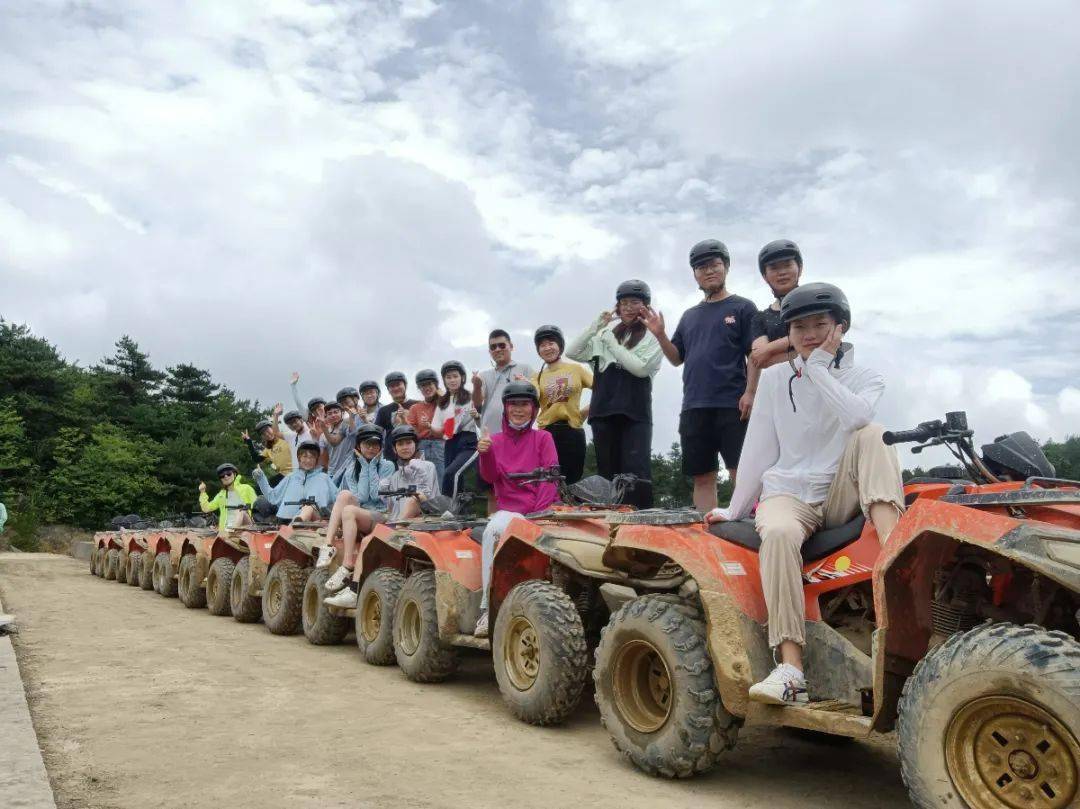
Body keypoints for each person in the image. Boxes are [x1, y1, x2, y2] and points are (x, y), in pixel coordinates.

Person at [705, 282, 903, 706]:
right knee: (776, 533)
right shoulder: (775, 379)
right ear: (788, 333)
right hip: (789, 493)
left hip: (839, 492)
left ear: (840, 328)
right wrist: (735, 508)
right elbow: (758, 449)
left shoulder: (865, 376)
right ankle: (791, 667)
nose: (809, 334)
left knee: (874, 434)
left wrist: (817, 369)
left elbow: (857, 418)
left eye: (820, 325)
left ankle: (895, 555)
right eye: (799, 327)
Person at [643, 239, 758, 512]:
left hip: (733, 403)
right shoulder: (689, 316)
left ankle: (750, 527)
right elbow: (676, 358)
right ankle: (709, 531)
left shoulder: (743, 308)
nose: (709, 271)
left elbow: (754, 354)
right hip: (694, 406)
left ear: (726, 267)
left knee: (739, 471)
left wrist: (751, 392)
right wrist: (659, 334)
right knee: (702, 475)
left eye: (715, 264)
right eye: (702, 267)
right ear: (695, 274)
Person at [474, 381, 560, 637]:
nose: (519, 410)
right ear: (506, 408)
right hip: (509, 511)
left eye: (525, 404)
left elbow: (550, 477)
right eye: (514, 405)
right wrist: (485, 453)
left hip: (539, 511)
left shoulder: (543, 437)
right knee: (495, 528)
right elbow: (490, 477)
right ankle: (487, 609)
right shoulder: (496, 441)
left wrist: (538, 514)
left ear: (533, 409)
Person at [567, 280, 662, 508]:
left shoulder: (652, 336)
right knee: (607, 473)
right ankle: (610, 525)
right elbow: (572, 351)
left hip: (634, 413)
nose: (628, 307)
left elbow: (640, 368)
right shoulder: (603, 335)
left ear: (646, 306)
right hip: (603, 413)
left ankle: (639, 525)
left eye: (635, 302)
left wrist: (613, 345)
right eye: (623, 303)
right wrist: (596, 326)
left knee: (635, 473)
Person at [321, 423, 396, 605]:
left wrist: (369, 466)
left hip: (381, 513)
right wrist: (362, 465)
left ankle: (347, 565)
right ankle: (328, 546)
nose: (371, 448)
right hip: (363, 512)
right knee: (344, 495)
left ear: (380, 447)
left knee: (349, 510)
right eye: (366, 444)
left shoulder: (387, 466)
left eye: (374, 444)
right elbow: (360, 497)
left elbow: (375, 495)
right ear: (359, 446)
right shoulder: (351, 469)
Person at [473, 329, 536, 512]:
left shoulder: (525, 368)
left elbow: (536, 398)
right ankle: (493, 530)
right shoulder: (484, 375)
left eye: (502, 345)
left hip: (518, 438)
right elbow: (477, 403)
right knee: (491, 488)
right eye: (493, 347)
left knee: (520, 484)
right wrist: (476, 386)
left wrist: (527, 383)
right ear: (489, 351)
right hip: (491, 438)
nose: (498, 349)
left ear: (511, 346)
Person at [530, 325, 593, 484]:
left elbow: (604, 391)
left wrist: (585, 411)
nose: (547, 348)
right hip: (546, 433)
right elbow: (533, 399)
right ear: (538, 350)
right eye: (542, 345)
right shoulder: (536, 377)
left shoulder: (576, 369)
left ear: (560, 345)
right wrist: (525, 387)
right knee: (548, 480)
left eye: (551, 343)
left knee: (572, 481)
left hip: (573, 430)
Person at [253, 440, 339, 523]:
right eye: (305, 456)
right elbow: (272, 497)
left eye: (312, 457)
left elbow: (337, 500)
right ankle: (295, 525)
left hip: (314, 522)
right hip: (285, 520)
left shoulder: (324, 478)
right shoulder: (290, 477)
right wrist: (261, 478)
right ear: (299, 458)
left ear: (316, 460)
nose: (308, 460)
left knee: (310, 508)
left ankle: (300, 521)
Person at [434, 360, 480, 495]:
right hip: (449, 442)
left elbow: (482, 423)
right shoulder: (442, 402)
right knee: (452, 480)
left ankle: (450, 509)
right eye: (448, 377)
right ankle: (454, 512)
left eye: (455, 376)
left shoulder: (472, 397)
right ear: (444, 380)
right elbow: (439, 429)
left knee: (451, 473)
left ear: (462, 378)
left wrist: (477, 416)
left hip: (469, 441)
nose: (452, 380)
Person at [381, 424, 440, 521]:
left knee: (413, 499)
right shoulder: (395, 477)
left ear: (415, 445)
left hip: (424, 521)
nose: (405, 447)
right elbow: (391, 510)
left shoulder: (429, 466)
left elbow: (426, 499)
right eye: (400, 444)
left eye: (408, 443)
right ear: (394, 449)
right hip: (399, 523)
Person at [406, 369, 445, 486]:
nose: (426, 388)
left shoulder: (443, 402)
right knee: (422, 479)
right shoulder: (415, 408)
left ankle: (441, 503)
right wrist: (403, 420)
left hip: (440, 444)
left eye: (429, 384)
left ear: (436, 385)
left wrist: (441, 395)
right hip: (422, 445)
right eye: (423, 385)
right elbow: (412, 432)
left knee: (440, 477)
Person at [198, 463, 258, 531]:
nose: (225, 476)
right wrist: (202, 492)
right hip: (226, 529)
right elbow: (206, 508)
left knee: (241, 511)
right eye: (222, 476)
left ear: (235, 474)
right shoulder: (221, 495)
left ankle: (230, 533)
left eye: (228, 473)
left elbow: (257, 506)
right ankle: (227, 534)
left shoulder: (246, 488)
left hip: (247, 528)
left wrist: (248, 508)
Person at [242, 405, 293, 484]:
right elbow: (256, 459)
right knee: (271, 483)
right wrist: (249, 441)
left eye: (267, 430)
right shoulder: (268, 449)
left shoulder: (285, 438)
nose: (266, 434)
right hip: (284, 475)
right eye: (263, 433)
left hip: (296, 471)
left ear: (272, 428)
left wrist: (276, 415)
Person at [376, 371, 417, 463]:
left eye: (398, 384)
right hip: (391, 459)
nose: (395, 388)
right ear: (388, 389)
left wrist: (404, 419)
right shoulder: (383, 410)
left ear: (405, 385)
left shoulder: (418, 405)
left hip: (415, 456)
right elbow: (376, 434)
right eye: (391, 386)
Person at [318, 400, 356, 482]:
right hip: (332, 473)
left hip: (348, 471)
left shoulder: (346, 426)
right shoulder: (323, 435)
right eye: (329, 413)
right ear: (326, 416)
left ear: (342, 413)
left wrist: (351, 417)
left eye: (336, 412)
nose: (333, 415)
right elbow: (323, 457)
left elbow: (353, 432)